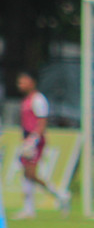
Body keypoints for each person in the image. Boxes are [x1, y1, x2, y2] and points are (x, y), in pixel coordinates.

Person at [15, 71, 69, 218]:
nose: (20, 85)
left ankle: (61, 196)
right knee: (27, 173)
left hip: (35, 140)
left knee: (31, 173)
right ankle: (29, 209)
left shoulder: (38, 99)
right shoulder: (26, 100)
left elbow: (42, 121)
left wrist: (34, 139)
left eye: (23, 81)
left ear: (32, 82)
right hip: (27, 139)